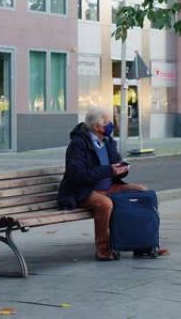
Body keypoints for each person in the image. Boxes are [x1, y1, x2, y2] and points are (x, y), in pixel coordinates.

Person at [58, 106, 164, 260]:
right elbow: (78, 175)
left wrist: (123, 168)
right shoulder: (78, 144)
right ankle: (103, 250)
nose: (111, 125)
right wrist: (109, 170)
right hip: (83, 191)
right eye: (107, 122)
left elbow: (116, 163)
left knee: (142, 192)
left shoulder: (108, 141)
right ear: (96, 127)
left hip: (108, 187)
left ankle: (145, 243)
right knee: (105, 204)